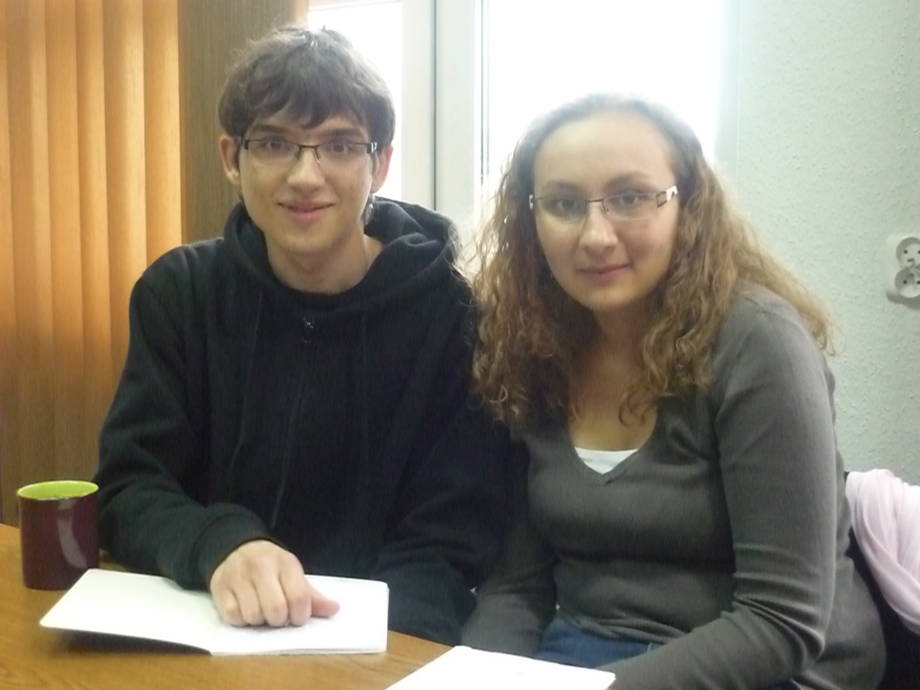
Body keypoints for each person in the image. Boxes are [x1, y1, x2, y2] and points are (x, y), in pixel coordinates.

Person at [94, 26, 509, 646]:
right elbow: (129, 489)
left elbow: (450, 536)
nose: (306, 175)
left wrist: (374, 652)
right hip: (209, 623)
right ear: (232, 158)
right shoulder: (179, 294)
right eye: (274, 144)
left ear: (380, 164)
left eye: (339, 146)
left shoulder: (454, 313)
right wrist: (219, 544)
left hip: (381, 640)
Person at [462, 93, 885, 688]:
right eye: (563, 204)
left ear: (687, 205)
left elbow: (783, 620)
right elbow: (517, 586)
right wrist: (478, 676)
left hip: (772, 667)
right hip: (586, 652)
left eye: (630, 198)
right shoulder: (535, 346)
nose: (596, 236)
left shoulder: (759, 344)